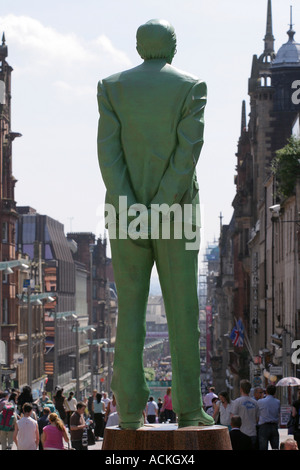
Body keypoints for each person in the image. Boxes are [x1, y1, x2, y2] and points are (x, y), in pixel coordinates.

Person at [97, 19, 214, 430]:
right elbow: (188, 153)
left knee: (129, 309)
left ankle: (128, 411)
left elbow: (108, 154)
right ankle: (187, 409)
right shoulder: (191, 87)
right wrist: (160, 206)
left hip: (124, 213)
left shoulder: (111, 87)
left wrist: (133, 206)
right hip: (178, 212)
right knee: (183, 309)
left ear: (138, 46)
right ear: (173, 46)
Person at [231, 379, 259, 448]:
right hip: (252, 432)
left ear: (241, 389)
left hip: (241, 433)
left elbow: (233, 417)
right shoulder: (255, 403)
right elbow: (257, 419)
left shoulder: (237, 402)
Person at [257, 384, 280, 450]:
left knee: (263, 447)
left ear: (266, 392)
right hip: (274, 426)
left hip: (264, 426)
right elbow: (278, 413)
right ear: (275, 392)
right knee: (275, 447)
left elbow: (258, 413)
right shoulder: (277, 402)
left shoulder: (260, 401)